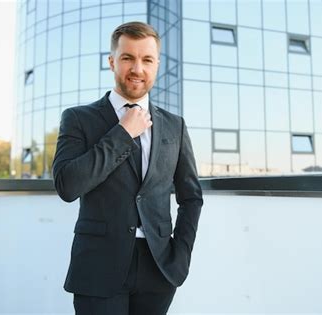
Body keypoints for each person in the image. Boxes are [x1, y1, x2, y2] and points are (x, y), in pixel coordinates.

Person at [52, 21, 203, 315]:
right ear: (112, 62)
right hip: (98, 267)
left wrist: (180, 255)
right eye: (127, 58)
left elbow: (191, 197)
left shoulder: (175, 125)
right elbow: (67, 186)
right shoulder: (78, 119)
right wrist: (121, 134)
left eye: (147, 59)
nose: (138, 68)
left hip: (159, 268)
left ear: (157, 64)